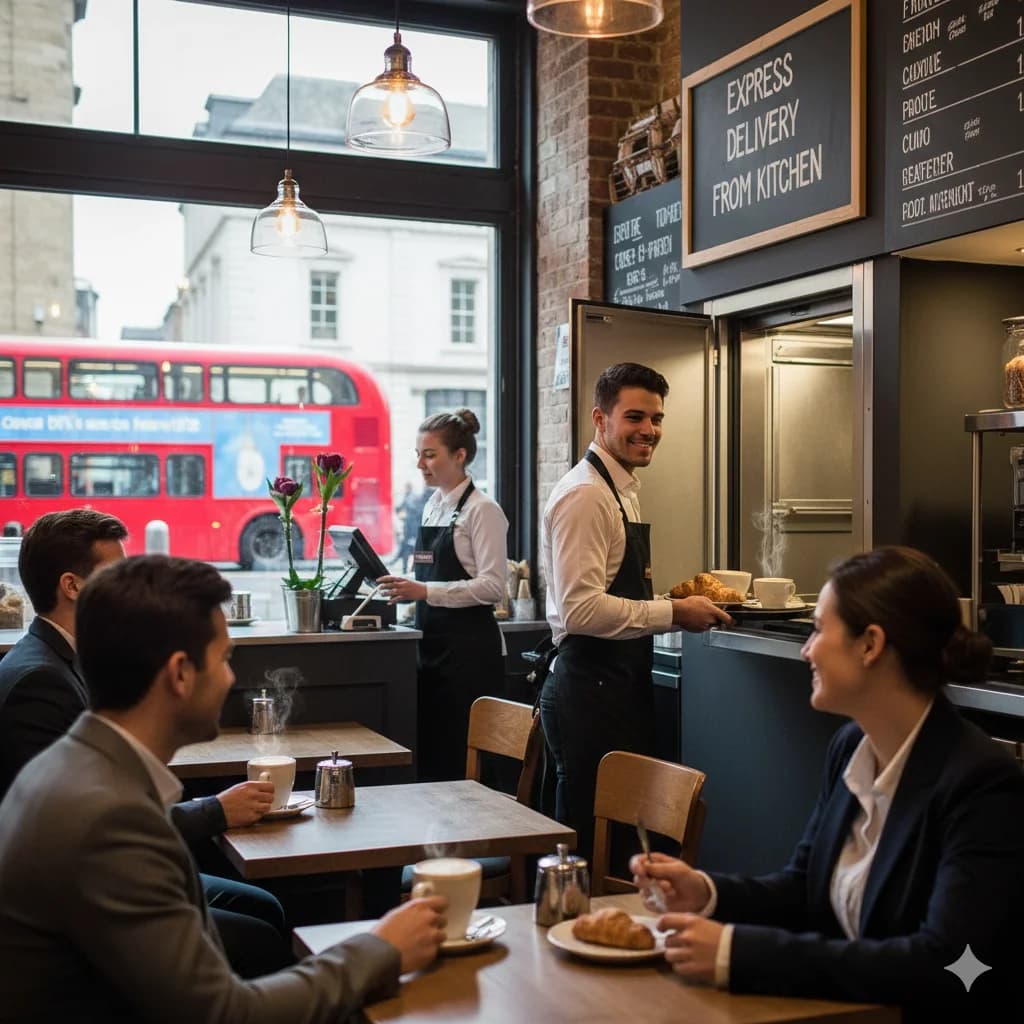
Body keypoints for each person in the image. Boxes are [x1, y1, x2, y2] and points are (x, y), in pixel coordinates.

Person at [0, 554, 446, 1021]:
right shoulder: (109, 818)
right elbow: (225, 1014)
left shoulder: (75, 765)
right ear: (180, 674)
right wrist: (379, 949)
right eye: (224, 659)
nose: (231, 677)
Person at [632, 546, 1024, 1019]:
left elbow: (950, 965)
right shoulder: (850, 747)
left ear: (870, 644)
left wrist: (737, 953)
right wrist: (707, 893)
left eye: (819, 629)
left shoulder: (980, 784)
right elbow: (805, 890)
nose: (806, 648)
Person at [0, 509, 288, 977]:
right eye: (117, 573)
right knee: (261, 934)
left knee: (265, 908)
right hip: (78, 901)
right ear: (72, 586)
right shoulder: (39, 680)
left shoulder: (63, 660)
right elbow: (88, 825)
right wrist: (216, 810)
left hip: (94, 870)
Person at [539, 362, 731, 861]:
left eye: (657, 418)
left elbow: (607, 592)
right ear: (600, 420)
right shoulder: (586, 496)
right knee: (586, 843)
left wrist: (672, 604)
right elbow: (581, 610)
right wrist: (673, 612)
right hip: (589, 693)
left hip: (617, 688)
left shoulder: (620, 489)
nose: (649, 430)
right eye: (635, 417)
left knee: (619, 838)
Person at [377, 409, 508, 781]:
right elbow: (429, 570)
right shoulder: (434, 505)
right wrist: (406, 587)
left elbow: (493, 586)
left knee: (467, 763)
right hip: (433, 652)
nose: (420, 463)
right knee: (436, 758)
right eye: (418, 454)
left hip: (470, 658)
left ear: (460, 456)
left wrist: (425, 590)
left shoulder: (483, 511)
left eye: (429, 454)